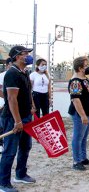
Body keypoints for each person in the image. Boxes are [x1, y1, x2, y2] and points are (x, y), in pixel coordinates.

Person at [0, 46, 36, 191]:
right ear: (17, 56)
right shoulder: (12, 74)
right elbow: (11, 99)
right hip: (12, 119)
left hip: (26, 116)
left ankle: (20, 174)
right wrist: (18, 121)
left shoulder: (25, 72)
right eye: (25, 54)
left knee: (26, 146)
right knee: (10, 151)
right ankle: (3, 183)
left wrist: (32, 106)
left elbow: (28, 93)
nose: (28, 56)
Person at [68, 56, 89, 171]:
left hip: (88, 112)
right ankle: (76, 161)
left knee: (84, 137)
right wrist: (83, 115)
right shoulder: (75, 81)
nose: (88, 67)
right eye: (86, 65)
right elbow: (76, 99)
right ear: (80, 68)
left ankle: (83, 158)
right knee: (78, 137)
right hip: (80, 113)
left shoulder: (85, 79)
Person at [0, 58, 12, 154]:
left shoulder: (18, 74)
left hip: (11, 104)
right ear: (8, 65)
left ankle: (6, 143)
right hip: (3, 104)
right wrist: (7, 100)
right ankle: (1, 144)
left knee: (8, 126)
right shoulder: (2, 75)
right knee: (1, 125)